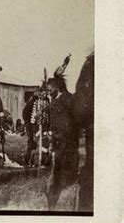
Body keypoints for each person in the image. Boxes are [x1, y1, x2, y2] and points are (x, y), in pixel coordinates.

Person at [46, 55, 79, 210]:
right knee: (58, 170)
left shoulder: (68, 99)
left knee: (67, 170)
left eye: (49, 90)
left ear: (57, 88)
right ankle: (55, 196)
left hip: (68, 141)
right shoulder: (55, 101)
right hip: (58, 140)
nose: (48, 92)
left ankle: (65, 195)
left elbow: (73, 121)